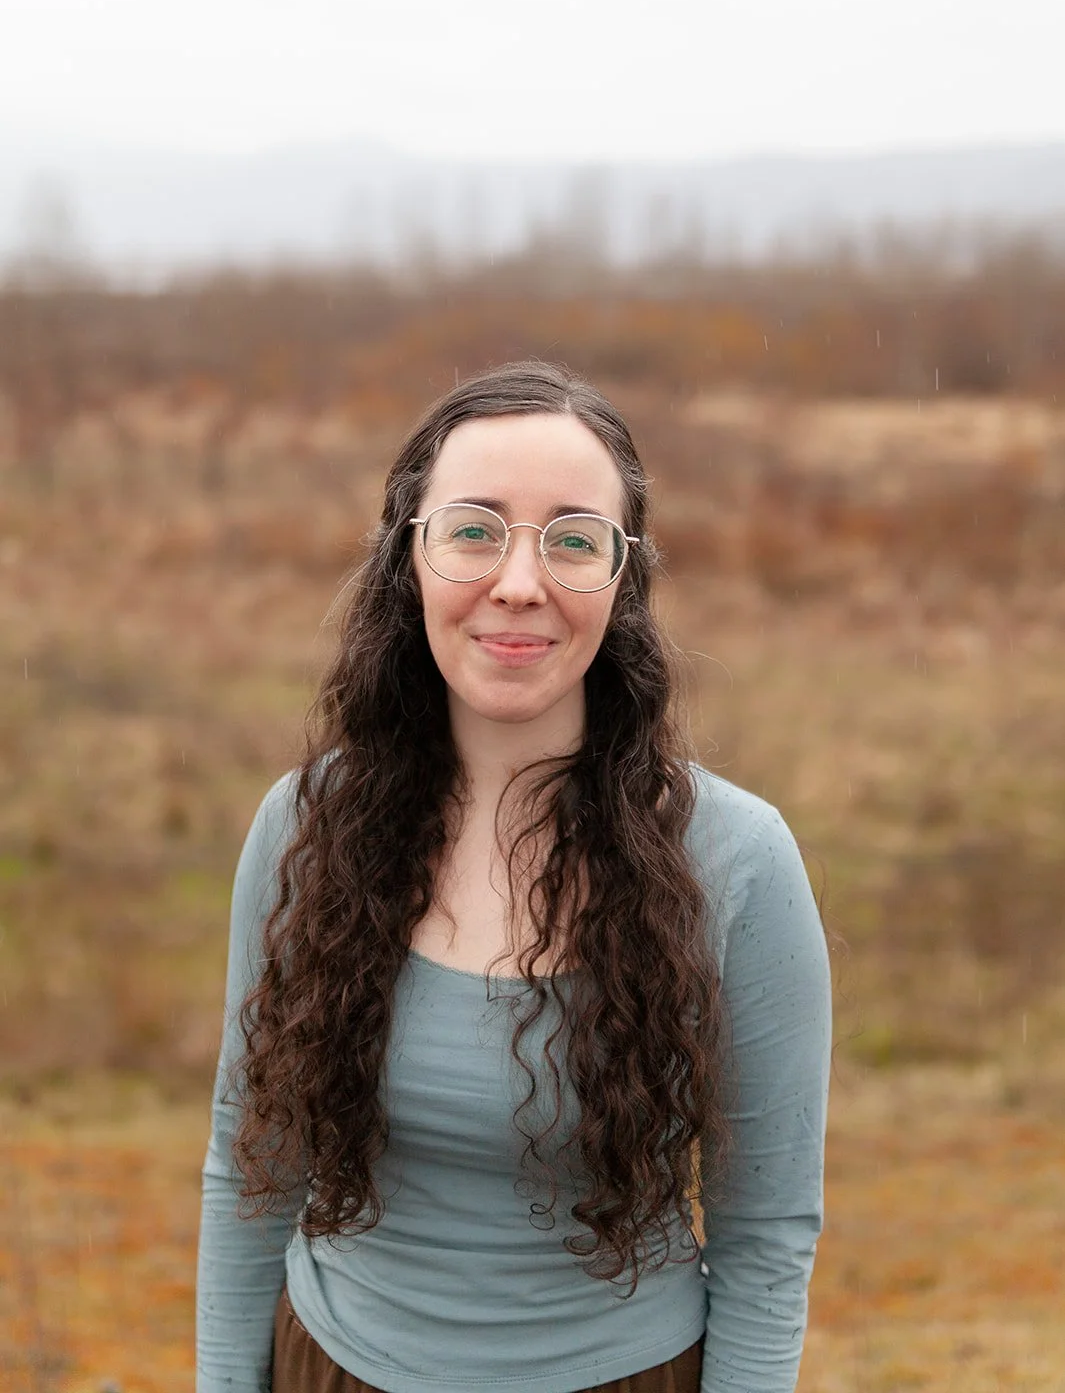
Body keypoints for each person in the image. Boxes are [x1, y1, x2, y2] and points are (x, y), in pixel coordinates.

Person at [197, 360, 832, 1393]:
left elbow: (765, 1231)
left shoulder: (737, 859)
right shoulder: (307, 825)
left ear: (622, 578)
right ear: (409, 557)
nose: (520, 582)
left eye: (574, 539)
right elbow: (248, 1159)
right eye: (473, 530)